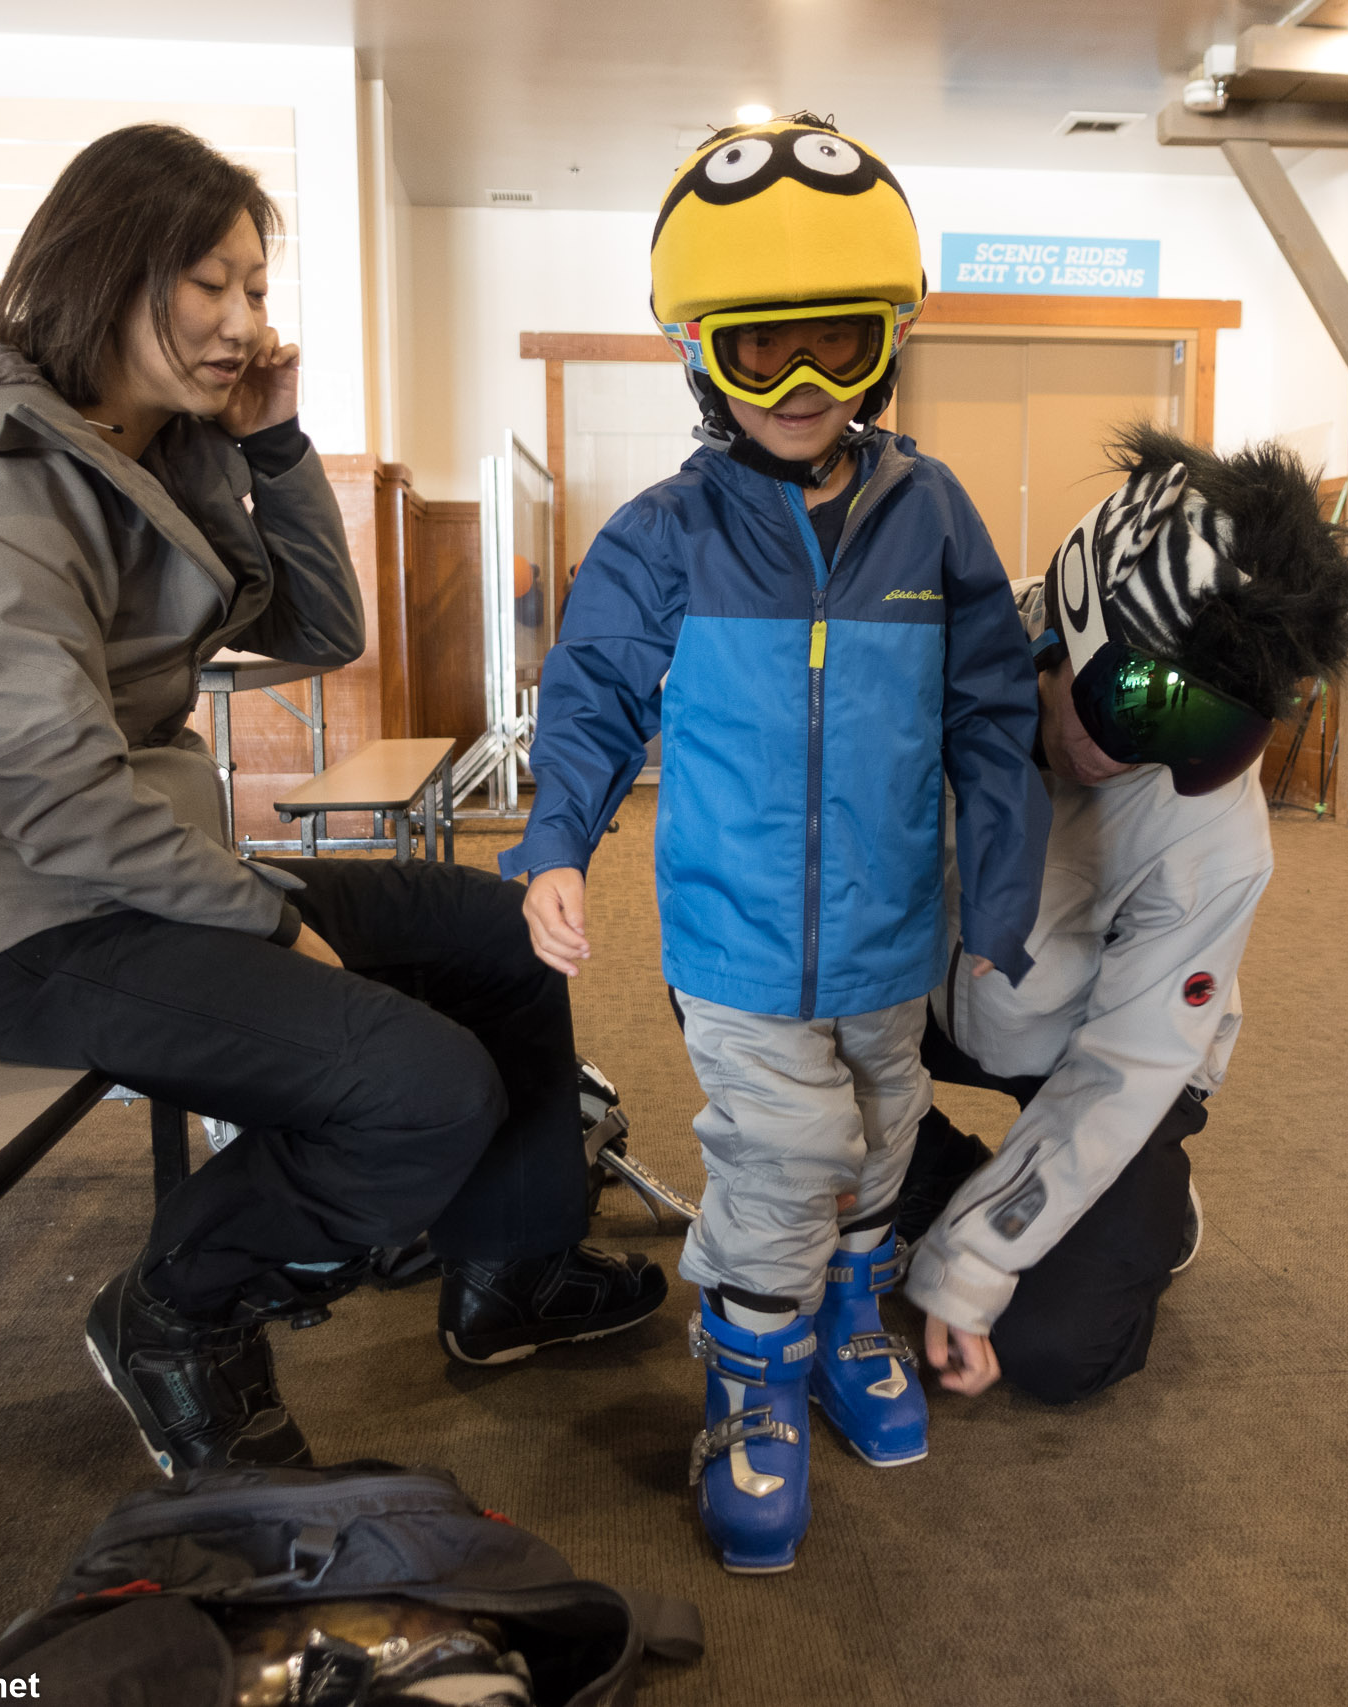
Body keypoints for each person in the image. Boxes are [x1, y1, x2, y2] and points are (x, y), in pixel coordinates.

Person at [0, 123, 664, 1479]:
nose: (246, 321)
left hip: (144, 875)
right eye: (212, 284)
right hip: (24, 926)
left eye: (256, 286)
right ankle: (178, 1312)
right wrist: (266, 923)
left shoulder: (151, 446)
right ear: (110, 269)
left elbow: (319, 631)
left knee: (498, 934)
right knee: (421, 1087)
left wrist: (278, 444)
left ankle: (510, 1272)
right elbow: (59, 807)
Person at [499, 114, 1048, 1573]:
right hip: (736, 937)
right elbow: (597, 686)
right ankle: (747, 1384)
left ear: (886, 344)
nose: (803, 386)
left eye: (837, 345)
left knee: (874, 1139)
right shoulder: (667, 531)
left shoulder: (930, 512)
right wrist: (558, 838)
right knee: (789, 1147)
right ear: (698, 353)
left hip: (887, 929)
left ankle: (844, 1323)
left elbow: (994, 710)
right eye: (761, 353)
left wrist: (997, 891)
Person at [898, 426, 1348, 1407]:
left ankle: (1142, 1204)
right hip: (927, 998)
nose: (1134, 755)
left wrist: (973, 1262)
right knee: (747, 975)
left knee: (1056, 1349)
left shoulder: (1216, 834)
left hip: (1094, 1044)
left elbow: (1127, 1063)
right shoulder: (936, 666)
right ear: (1074, 619)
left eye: (1201, 733)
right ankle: (944, 1172)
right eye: (1134, 699)